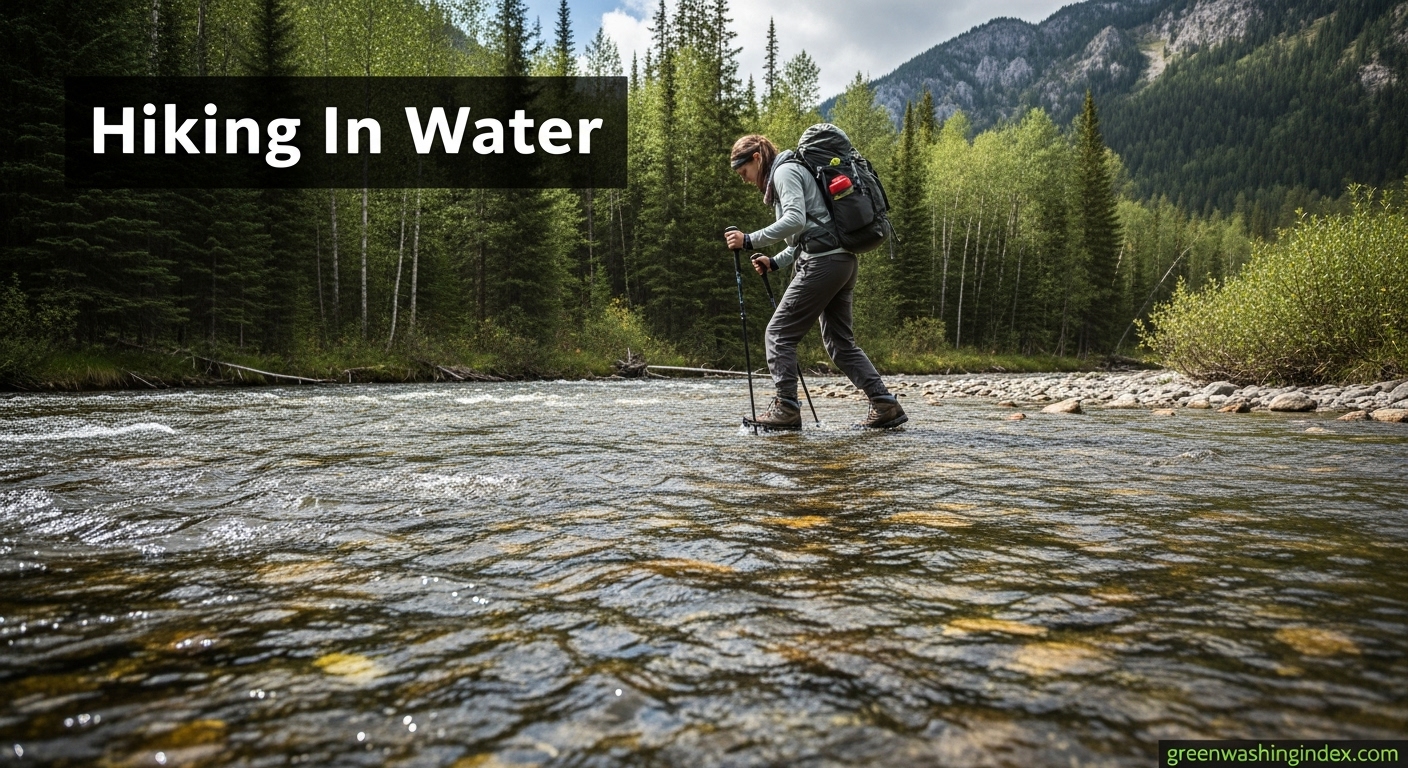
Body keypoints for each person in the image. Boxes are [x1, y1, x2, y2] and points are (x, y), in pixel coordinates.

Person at [724, 133, 906, 430]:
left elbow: (795, 219)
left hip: (823, 263)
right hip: (842, 262)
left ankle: (787, 408)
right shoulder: (794, 170)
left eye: (743, 172)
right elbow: (808, 231)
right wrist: (775, 261)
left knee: (778, 333)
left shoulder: (784, 171)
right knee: (839, 344)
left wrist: (749, 240)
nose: (744, 179)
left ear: (756, 158)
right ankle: (884, 403)